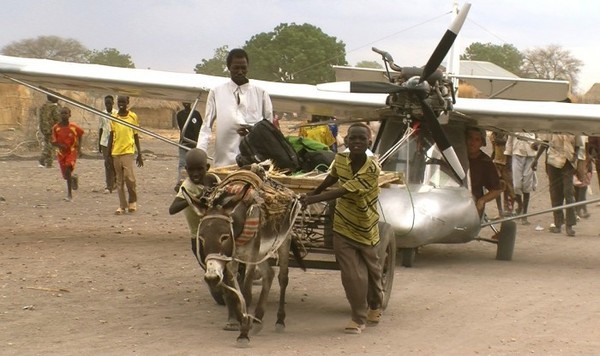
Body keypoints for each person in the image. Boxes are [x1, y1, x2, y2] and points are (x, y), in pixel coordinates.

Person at [300, 123, 383, 335]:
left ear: (369, 143)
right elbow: (333, 177)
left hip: (366, 226)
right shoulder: (341, 160)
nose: (356, 142)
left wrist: (314, 199)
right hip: (342, 224)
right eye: (352, 138)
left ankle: (375, 304)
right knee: (351, 275)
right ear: (345, 141)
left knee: (372, 272)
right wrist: (312, 192)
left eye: (361, 139)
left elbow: (344, 191)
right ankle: (358, 318)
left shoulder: (372, 169)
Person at [196, 48, 273, 167]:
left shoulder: (261, 93)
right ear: (228, 67)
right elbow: (206, 126)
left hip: (254, 163)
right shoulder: (216, 92)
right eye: (236, 68)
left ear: (248, 67)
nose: (240, 72)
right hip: (224, 163)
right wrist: (199, 155)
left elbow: (269, 128)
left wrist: (253, 130)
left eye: (243, 68)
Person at [169, 149, 218, 268]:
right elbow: (172, 209)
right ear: (186, 169)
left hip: (217, 232)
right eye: (191, 170)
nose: (195, 174)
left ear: (207, 167)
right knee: (209, 271)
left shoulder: (213, 180)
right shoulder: (187, 187)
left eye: (199, 169)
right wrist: (194, 198)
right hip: (198, 237)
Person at [532, 134, 585, 236]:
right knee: (555, 193)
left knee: (568, 193)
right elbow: (545, 143)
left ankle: (569, 225)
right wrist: (535, 159)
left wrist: (575, 157)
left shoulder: (574, 127)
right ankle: (558, 224)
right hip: (553, 161)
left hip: (568, 162)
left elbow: (578, 145)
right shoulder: (553, 125)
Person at [107, 96, 143, 215]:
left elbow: (136, 135)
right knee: (119, 181)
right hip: (116, 152)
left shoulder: (133, 117)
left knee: (129, 177)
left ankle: (132, 200)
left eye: (123, 102)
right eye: (119, 102)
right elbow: (111, 136)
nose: (121, 104)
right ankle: (122, 206)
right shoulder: (114, 117)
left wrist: (140, 153)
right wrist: (108, 155)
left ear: (128, 103)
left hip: (128, 151)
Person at [466, 127, 502, 218]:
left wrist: (481, 201)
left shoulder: (485, 162)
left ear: (482, 143)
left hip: (471, 204)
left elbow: (497, 189)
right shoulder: (453, 156)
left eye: (477, 140)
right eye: (470, 138)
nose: (472, 143)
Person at [51, 107, 84, 201]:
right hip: (61, 153)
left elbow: (80, 134)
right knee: (66, 176)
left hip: (71, 151)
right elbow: (53, 141)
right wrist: (60, 145)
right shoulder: (56, 128)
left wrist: (79, 149)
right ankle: (73, 178)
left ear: (70, 115)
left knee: (68, 169)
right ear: (59, 115)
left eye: (65, 113)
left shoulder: (73, 127)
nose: (64, 115)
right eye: (62, 113)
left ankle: (69, 194)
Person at [504, 132, 537, 225]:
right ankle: (520, 206)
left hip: (530, 155)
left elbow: (539, 140)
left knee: (527, 185)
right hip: (517, 154)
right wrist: (507, 158)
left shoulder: (534, 125)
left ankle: (524, 214)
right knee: (516, 185)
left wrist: (536, 146)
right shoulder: (515, 125)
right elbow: (509, 142)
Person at [175, 102, 202, 191]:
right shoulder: (180, 114)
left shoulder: (196, 114)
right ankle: (180, 182)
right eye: (184, 102)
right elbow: (182, 126)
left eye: (188, 102)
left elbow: (199, 127)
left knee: (195, 163)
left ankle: (194, 182)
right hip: (184, 143)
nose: (186, 103)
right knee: (182, 164)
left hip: (194, 143)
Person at [490, 132, 515, 217]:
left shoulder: (507, 134)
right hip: (497, 162)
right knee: (499, 187)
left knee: (509, 189)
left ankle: (508, 210)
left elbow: (509, 147)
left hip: (506, 164)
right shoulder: (494, 135)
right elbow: (494, 149)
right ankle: (501, 211)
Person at [99, 95, 117, 193]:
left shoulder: (116, 114)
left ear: (113, 103)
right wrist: (99, 144)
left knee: (114, 162)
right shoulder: (102, 114)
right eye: (106, 103)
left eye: (109, 103)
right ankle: (108, 185)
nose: (108, 105)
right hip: (104, 142)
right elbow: (101, 128)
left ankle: (115, 181)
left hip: (115, 141)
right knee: (107, 163)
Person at [38, 95, 61, 168]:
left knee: (48, 143)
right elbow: (58, 118)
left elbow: (41, 118)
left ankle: (46, 161)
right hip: (52, 128)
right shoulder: (54, 108)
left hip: (44, 128)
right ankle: (45, 160)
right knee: (52, 145)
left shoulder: (44, 106)